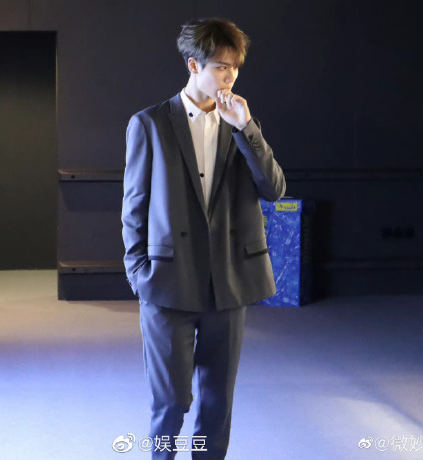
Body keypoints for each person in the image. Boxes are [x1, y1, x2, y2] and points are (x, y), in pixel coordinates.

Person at [121, 17, 286, 460]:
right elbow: (134, 206)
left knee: (217, 403)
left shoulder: (242, 124)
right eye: (220, 67)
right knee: (172, 401)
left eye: (235, 68)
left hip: (228, 282)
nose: (230, 77)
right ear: (194, 65)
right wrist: (138, 272)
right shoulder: (150, 124)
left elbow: (274, 189)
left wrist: (247, 128)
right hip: (167, 281)